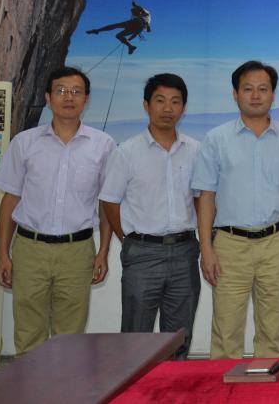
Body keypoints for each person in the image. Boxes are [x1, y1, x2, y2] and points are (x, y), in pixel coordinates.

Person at [0, 66, 114, 355]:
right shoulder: (24, 142)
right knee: (28, 333)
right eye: (60, 91)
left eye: (76, 91)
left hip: (77, 251)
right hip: (30, 249)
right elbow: (10, 200)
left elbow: (106, 205)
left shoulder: (103, 145)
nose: (68, 97)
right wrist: (3, 254)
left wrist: (103, 252)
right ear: (48, 97)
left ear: (86, 99)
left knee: (70, 337)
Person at [192, 60, 279, 359]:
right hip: (229, 245)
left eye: (263, 89)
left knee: (272, 333)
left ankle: (269, 384)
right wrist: (206, 248)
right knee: (226, 332)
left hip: (277, 244)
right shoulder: (216, 139)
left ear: (273, 94)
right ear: (235, 94)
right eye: (248, 89)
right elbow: (206, 197)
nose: (255, 96)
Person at [99, 73, 200, 359]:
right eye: (160, 101)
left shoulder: (195, 150)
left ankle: (175, 384)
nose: (168, 108)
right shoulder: (127, 152)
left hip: (185, 252)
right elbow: (109, 200)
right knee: (136, 337)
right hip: (142, 253)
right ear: (146, 105)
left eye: (175, 102)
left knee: (179, 337)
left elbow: (201, 199)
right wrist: (127, 238)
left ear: (183, 107)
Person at [86, 1, 151, 54]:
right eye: (133, 14)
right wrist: (128, 40)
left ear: (138, 11)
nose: (134, 15)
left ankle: (97, 31)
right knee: (118, 35)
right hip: (135, 27)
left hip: (136, 25)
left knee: (116, 26)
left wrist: (135, 5)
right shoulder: (139, 16)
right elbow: (136, 33)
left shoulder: (145, 14)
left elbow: (141, 11)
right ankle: (131, 46)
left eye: (134, 13)